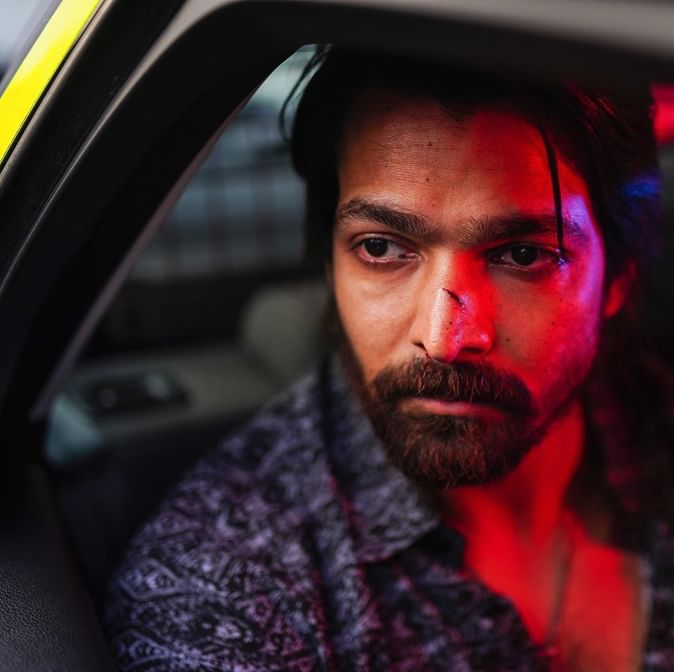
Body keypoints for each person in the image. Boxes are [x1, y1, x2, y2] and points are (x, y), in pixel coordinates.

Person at [105, 47, 674, 671]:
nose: (445, 338)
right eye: (381, 247)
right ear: (329, 263)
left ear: (618, 277)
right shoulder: (225, 582)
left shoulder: (654, 416)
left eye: (522, 255)